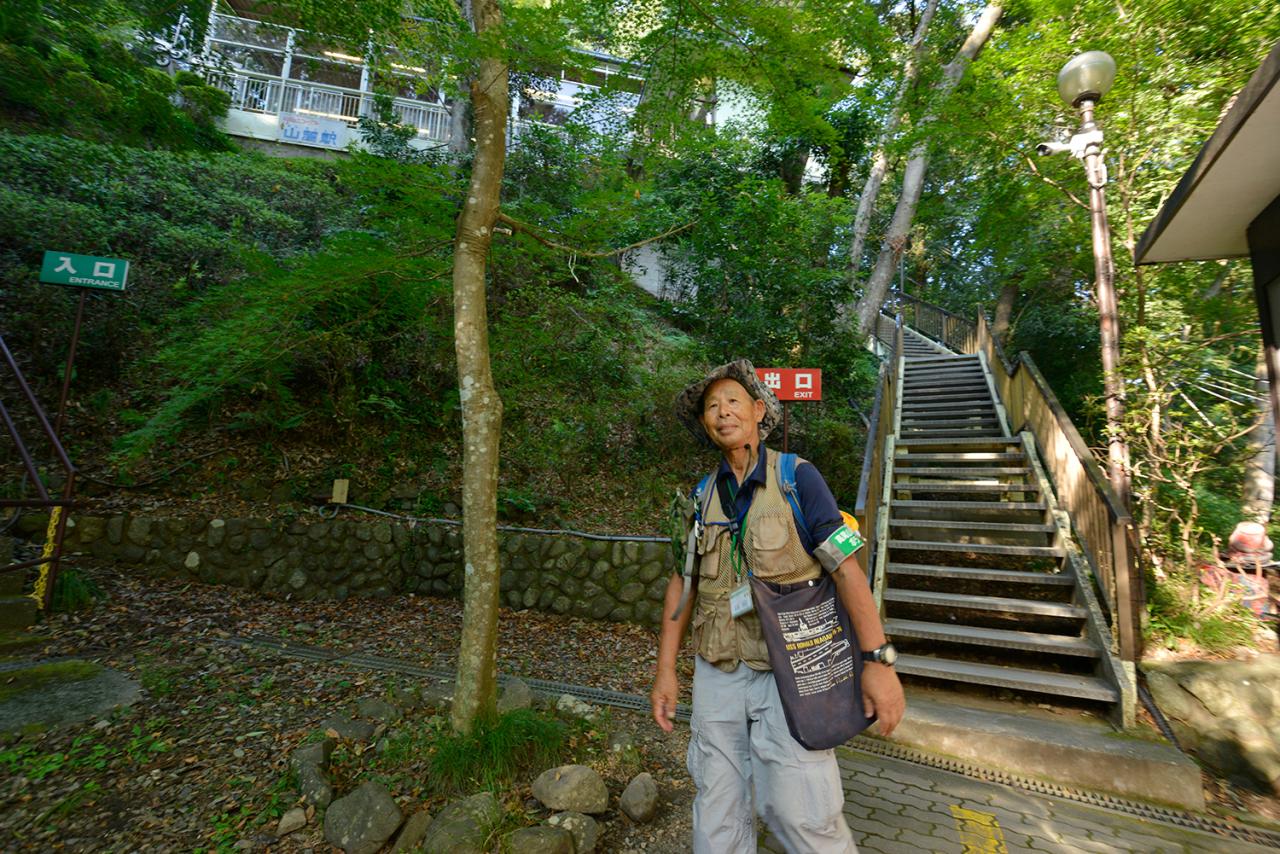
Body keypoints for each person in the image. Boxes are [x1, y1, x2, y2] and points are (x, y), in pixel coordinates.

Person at [650, 359, 906, 854]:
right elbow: (680, 586)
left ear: (758, 411)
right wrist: (666, 670)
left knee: (800, 812)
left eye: (733, 401)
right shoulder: (702, 498)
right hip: (717, 671)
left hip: (790, 671)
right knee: (716, 809)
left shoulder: (797, 479)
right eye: (711, 406)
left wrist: (877, 663)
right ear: (705, 423)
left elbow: (847, 571)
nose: (722, 412)